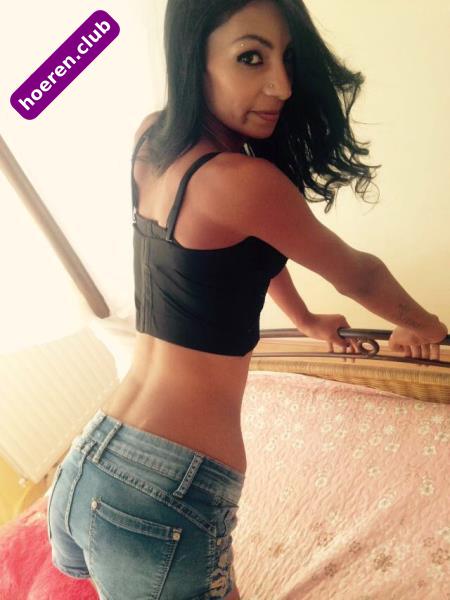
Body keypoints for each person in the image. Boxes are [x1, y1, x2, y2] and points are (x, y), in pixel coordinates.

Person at [47, 1, 448, 598]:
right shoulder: (244, 183)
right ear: (194, 60)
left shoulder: (153, 139)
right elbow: (360, 276)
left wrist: (303, 318)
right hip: (163, 489)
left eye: (287, 58)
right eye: (251, 58)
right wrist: (426, 325)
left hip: (90, 458)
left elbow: (239, 248)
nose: (281, 85)